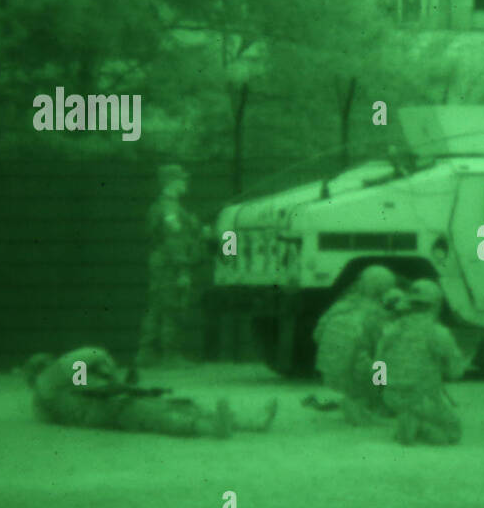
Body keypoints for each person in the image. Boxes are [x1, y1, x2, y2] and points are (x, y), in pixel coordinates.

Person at [21, 347, 276, 438]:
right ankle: (215, 430)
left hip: (113, 405)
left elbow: (91, 386)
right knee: (161, 417)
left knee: (175, 406)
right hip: (111, 410)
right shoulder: (47, 384)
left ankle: (249, 423)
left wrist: (122, 383)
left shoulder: (49, 397)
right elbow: (89, 357)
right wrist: (109, 367)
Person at [375, 280, 467, 445]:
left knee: (413, 407)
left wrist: (381, 390)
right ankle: (419, 424)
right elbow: (456, 371)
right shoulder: (437, 331)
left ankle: (409, 418)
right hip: (421, 396)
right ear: (435, 304)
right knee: (452, 433)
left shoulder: (392, 328)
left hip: (391, 396)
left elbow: (378, 363)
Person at [137, 164, 208, 369]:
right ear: (171, 182)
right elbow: (174, 239)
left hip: (162, 262)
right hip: (170, 263)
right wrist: (183, 270)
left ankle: (146, 354)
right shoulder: (170, 209)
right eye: (182, 180)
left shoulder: (166, 207)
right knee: (173, 307)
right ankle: (171, 355)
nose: (185, 183)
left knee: (157, 307)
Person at [313, 266, 397, 424]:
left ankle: (353, 397)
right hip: (354, 373)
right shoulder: (376, 314)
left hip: (329, 371)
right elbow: (382, 348)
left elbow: (318, 334)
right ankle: (374, 402)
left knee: (363, 356)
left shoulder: (342, 306)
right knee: (384, 361)